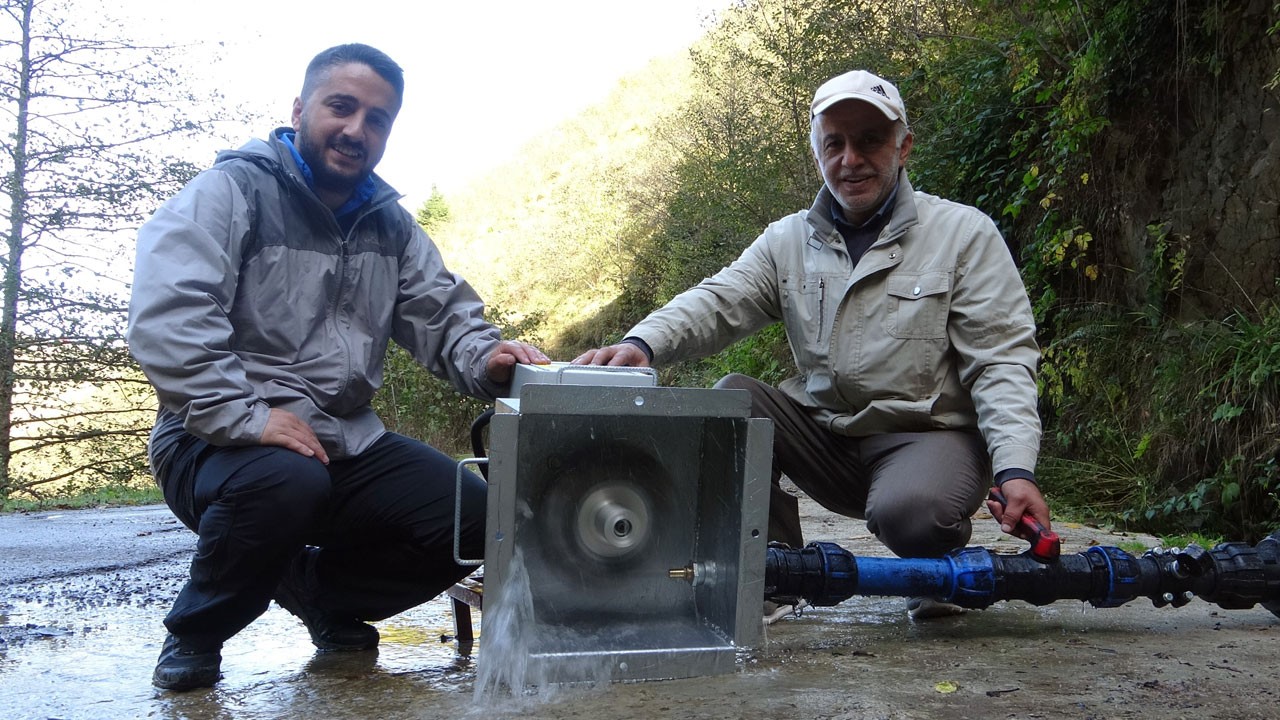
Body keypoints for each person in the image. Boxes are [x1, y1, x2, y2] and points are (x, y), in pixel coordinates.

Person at [128, 43, 548, 691]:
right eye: (341, 107)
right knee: (285, 479)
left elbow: (444, 318)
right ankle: (197, 632)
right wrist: (245, 415)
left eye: (377, 119)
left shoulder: (392, 226)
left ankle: (318, 593)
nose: (357, 130)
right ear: (301, 110)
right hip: (210, 435)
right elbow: (169, 314)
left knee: (476, 519)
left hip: (342, 439)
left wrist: (488, 358)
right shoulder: (231, 191)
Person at [574, 70, 1049, 620]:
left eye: (870, 140)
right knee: (732, 399)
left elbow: (1001, 360)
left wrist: (1015, 470)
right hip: (826, 437)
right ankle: (773, 573)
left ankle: (936, 565)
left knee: (912, 513)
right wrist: (642, 344)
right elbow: (718, 300)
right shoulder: (786, 241)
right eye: (835, 143)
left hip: (927, 439)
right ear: (817, 152)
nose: (851, 159)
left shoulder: (965, 235)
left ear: (903, 147)